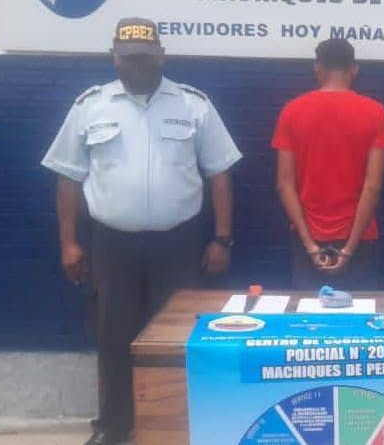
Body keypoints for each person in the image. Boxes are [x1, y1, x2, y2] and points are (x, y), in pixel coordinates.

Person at [41, 17, 242, 445]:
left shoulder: (193, 104)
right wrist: (69, 243)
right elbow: (67, 178)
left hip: (179, 243)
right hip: (112, 245)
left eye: (146, 58)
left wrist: (222, 238)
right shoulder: (90, 106)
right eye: (130, 59)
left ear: (161, 57)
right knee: (114, 336)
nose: (138, 66)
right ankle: (114, 427)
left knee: (177, 337)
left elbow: (220, 173)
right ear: (115, 58)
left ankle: (176, 427)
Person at [272, 38, 384, 290]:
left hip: (307, 239)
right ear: (354, 69)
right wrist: (348, 250)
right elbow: (372, 187)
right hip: (360, 239)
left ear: (318, 67)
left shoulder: (291, 111)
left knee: (308, 313)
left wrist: (310, 247)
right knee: (360, 313)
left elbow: (284, 185)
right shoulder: (376, 113)